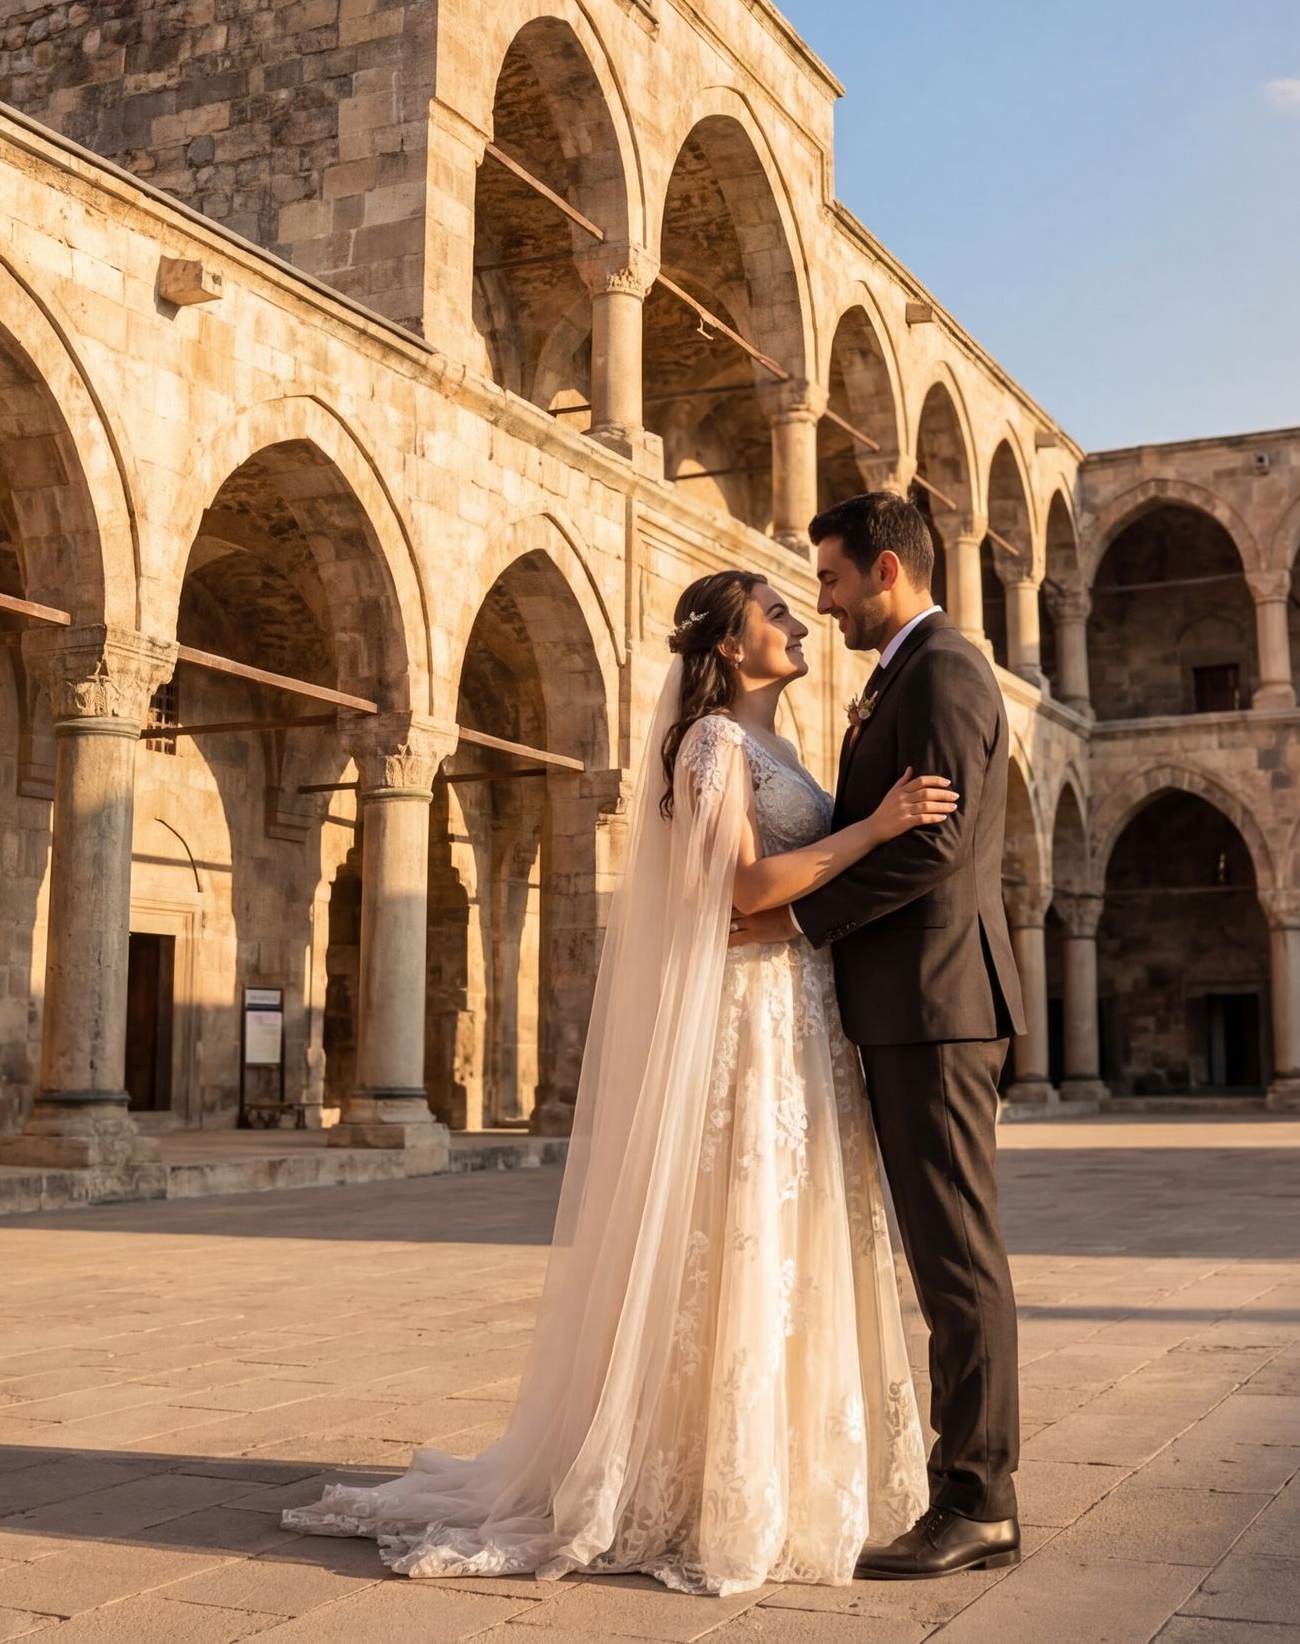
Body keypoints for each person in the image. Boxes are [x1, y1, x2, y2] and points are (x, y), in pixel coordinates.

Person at [284, 569, 956, 1594]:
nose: (796, 618)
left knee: (790, 1226)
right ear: (729, 649)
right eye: (774, 611)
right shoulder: (712, 743)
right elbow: (738, 888)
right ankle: (699, 1478)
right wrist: (876, 827)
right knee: (738, 1228)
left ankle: (776, 1468)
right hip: (748, 1016)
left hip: (798, 1012)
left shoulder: (774, 746)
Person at [735, 489, 1025, 1579]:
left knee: (956, 1259)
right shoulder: (906, 672)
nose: (825, 601)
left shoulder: (943, 669)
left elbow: (936, 850)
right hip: (913, 1006)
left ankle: (978, 1498)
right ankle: (970, 1486)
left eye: (832, 579)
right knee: (942, 1252)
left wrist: (800, 917)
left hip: (938, 1006)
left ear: (886, 573)